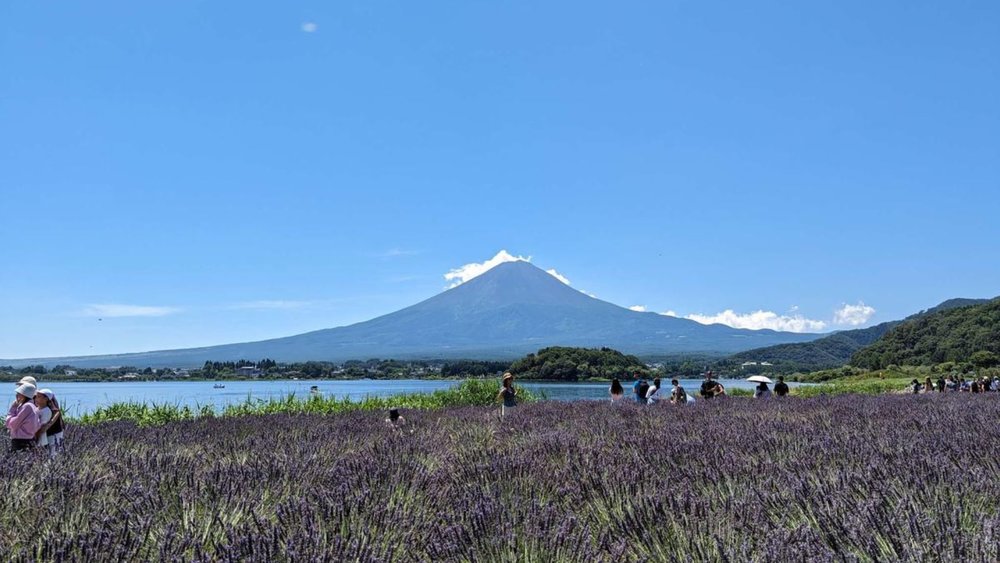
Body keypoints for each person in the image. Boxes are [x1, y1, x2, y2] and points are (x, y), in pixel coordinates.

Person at [6, 383, 40, 452]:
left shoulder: (27, 406)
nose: (16, 395)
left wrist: (13, 408)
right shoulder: (33, 405)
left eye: (18, 393)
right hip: (29, 440)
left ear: (24, 395)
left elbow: (12, 424)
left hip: (21, 441)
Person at [36, 389, 63, 456]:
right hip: (43, 436)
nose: (36, 398)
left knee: (52, 453)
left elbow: (42, 428)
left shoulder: (47, 410)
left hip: (48, 436)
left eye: (39, 396)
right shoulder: (38, 408)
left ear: (46, 399)